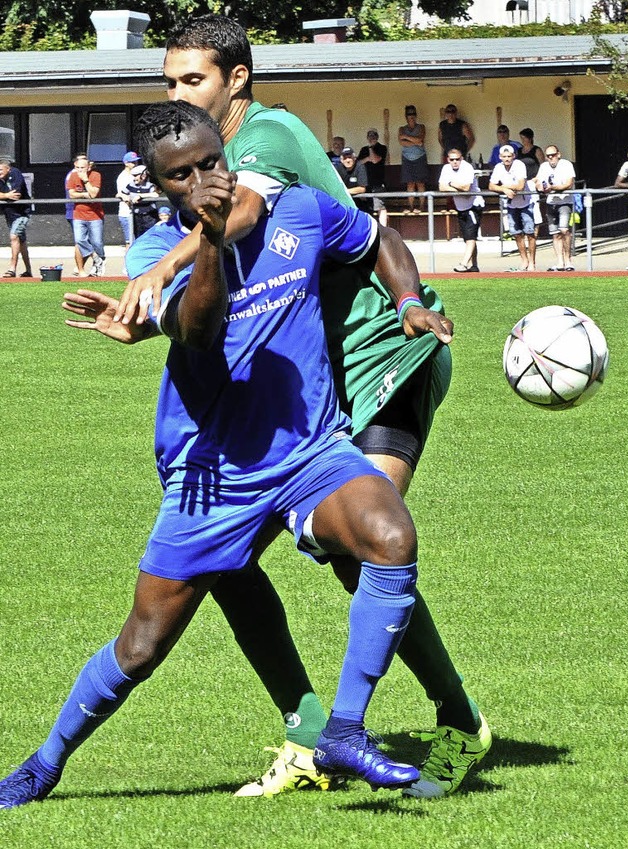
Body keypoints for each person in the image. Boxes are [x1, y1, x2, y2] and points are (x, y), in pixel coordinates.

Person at [0, 99, 430, 809]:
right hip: (214, 477)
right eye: (181, 175)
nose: (204, 178)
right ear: (157, 184)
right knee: (140, 646)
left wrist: (408, 298)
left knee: (390, 534)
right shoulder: (149, 258)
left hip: (309, 453)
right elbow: (199, 330)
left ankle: (345, 729)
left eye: (210, 163)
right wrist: (206, 240)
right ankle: (44, 763)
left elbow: (377, 239)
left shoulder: (296, 210)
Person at [112, 13, 491, 801]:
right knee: (232, 558)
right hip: (319, 382)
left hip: (384, 354)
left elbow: (240, 214)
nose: (180, 93)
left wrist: (161, 267)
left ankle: (456, 719)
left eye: (194, 79)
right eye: (171, 81)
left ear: (236, 80)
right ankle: (312, 728)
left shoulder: (270, 134)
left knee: (361, 546)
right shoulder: (216, 152)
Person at [489, 145, 536, 272]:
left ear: (514, 156)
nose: (507, 159)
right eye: (504, 157)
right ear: (500, 157)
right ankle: (524, 260)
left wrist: (507, 186)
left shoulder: (520, 165)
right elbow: (491, 185)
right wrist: (504, 189)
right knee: (516, 233)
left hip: (526, 203)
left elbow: (521, 186)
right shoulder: (498, 168)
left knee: (530, 233)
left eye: (509, 156)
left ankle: (532, 261)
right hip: (511, 204)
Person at [438, 147, 484, 273]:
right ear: (448, 159)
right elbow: (442, 187)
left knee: (470, 236)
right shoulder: (446, 169)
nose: (455, 162)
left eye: (457, 159)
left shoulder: (467, 167)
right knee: (468, 238)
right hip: (461, 207)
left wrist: (451, 184)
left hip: (474, 205)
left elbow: (466, 188)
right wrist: (458, 189)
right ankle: (474, 265)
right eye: (452, 159)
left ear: (461, 158)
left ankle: (464, 264)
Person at [535, 145, 576, 272]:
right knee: (555, 234)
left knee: (564, 230)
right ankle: (560, 262)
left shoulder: (566, 164)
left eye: (553, 155)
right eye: (548, 156)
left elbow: (569, 183)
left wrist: (553, 188)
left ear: (558, 154)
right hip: (550, 202)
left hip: (565, 201)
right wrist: (540, 187)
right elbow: (538, 181)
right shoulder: (543, 167)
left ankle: (568, 260)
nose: (550, 157)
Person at [65, 153, 106, 277]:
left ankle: (98, 264)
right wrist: (84, 195)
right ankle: (96, 257)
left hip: (95, 215)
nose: (79, 170)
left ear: (88, 167)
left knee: (97, 242)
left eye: (82, 168)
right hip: (78, 214)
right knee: (79, 239)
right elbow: (71, 194)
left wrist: (86, 180)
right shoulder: (72, 176)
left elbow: (93, 194)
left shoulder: (95, 175)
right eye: (77, 168)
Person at [516, 128, 545, 268]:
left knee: (534, 215)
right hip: (522, 186)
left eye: (524, 138)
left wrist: (536, 180)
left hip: (533, 184)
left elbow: (542, 166)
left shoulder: (536, 150)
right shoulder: (519, 152)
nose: (523, 140)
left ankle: (533, 237)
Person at [0, 157, 33, 278]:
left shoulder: (15, 174)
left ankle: (12, 269)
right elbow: (9, 195)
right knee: (21, 241)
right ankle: (28, 270)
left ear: (8, 169)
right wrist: (5, 195)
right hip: (9, 213)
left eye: (0, 170)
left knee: (14, 236)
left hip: (22, 213)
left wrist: (3, 196)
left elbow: (16, 195)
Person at [398, 105, 428, 214]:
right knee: (410, 184)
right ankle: (410, 207)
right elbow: (401, 142)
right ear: (405, 116)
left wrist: (406, 137)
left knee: (420, 183)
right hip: (407, 158)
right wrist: (416, 142)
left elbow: (421, 140)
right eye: (409, 114)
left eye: (413, 114)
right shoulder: (402, 128)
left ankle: (422, 207)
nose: (412, 116)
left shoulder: (421, 127)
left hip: (420, 157)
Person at [120, 163, 160, 239]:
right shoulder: (131, 185)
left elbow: (155, 195)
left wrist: (141, 196)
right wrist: (124, 196)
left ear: (143, 176)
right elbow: (120, 194)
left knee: (151, 237)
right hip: (137, 217)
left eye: (136, 176)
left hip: (149, 216)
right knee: (139, 238)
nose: (134, 178)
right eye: (133, 176)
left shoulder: (150, 185)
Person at [357, 128, 388, 225]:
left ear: (377, 137)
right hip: (366, 183)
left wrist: (370, 148)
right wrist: (367, 158)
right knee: (367, 207)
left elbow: (375, 159)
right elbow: (358, 163)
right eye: (370, 136)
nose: (372, 138)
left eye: (374, 135)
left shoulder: (382, 148)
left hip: (378, 182)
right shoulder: (363, 149)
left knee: (380, 207)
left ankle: (384, 230)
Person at [335, 147, 372, 214]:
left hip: (361, 203)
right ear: (341, 160)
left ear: (354, 158)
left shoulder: (360, 166)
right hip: (344, 202)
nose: (347, 160)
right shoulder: (338, 168)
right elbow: (334, 186)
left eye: (350, 157)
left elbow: (362, 188)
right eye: (345, 158)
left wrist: (345, 191)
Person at [116, 151, 140, 250]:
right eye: (132, 162)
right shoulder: (123, 177)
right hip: (127, 213)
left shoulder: (138, 175)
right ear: (126, 163)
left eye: (136, 162)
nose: (135, 164)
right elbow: (123, 194)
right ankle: (127, 265)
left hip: (137, 212)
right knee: (130, 242)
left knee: (139, 241)